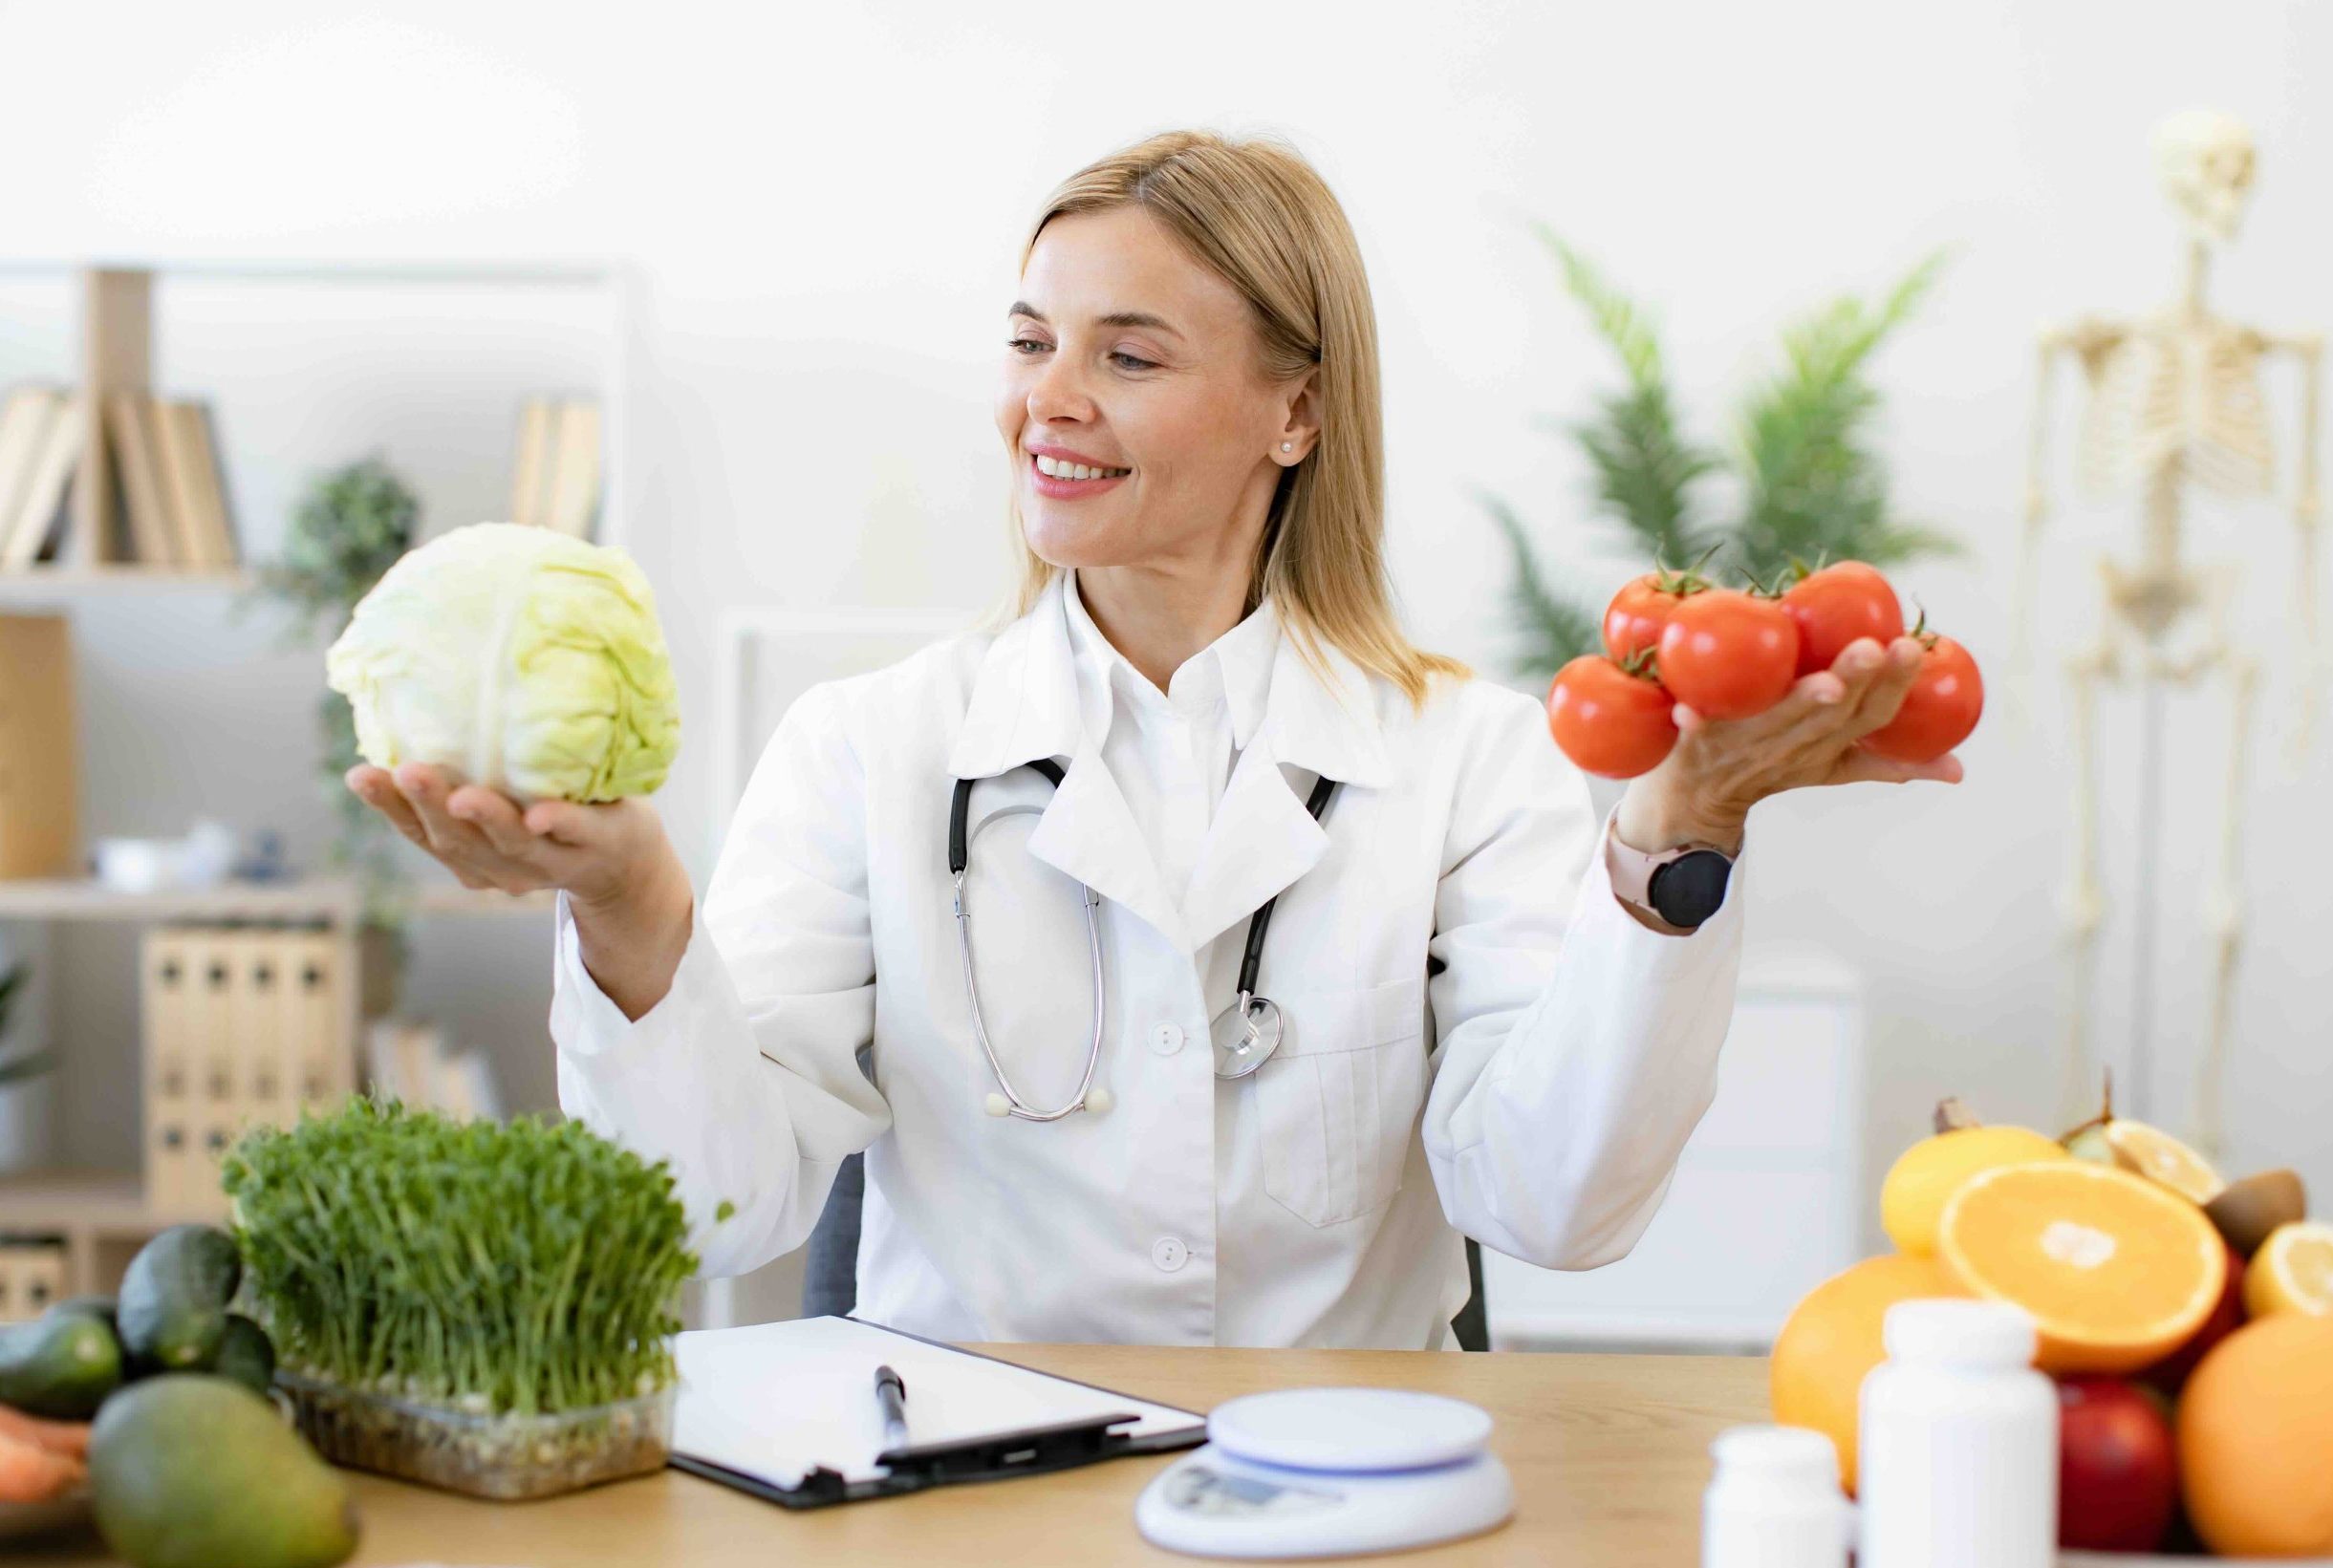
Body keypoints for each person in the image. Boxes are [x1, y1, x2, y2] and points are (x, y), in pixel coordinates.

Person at [348, 130, 1958, 1349]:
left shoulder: (1475, 759)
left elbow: (1555, 1207)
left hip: (1347, 1504)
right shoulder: (870, 748)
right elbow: (716, 1205)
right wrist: (627, 907)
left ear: (1295, 414)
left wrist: (1672, 841)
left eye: (1128, 356)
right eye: (1030, 340)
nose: (1050, 399)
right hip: (960, 1512)